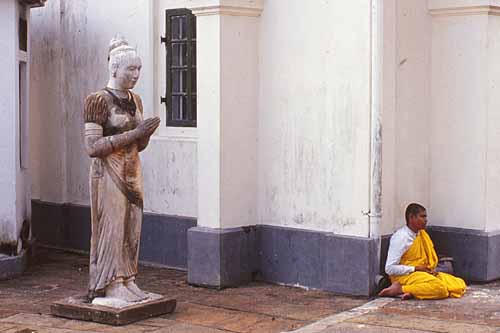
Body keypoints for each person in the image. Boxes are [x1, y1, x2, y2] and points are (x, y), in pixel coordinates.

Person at [83, 37, 160, 303]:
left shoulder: (134, 100)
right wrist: (135, 133)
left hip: (132, 170)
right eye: (131, 69)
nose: (136, 75)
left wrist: (145, 134)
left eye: (138, 69)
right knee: (113, 227)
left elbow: (139, 145)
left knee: (133, 226)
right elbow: (92, 146)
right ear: (114, 69)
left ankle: (128, 278)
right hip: (108, 173)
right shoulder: (97, 100)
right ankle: (110, 281)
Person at [378, 203, 466, 300]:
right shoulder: (401, 237)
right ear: (411, 217)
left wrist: (424, 269)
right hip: (403, 276)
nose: (426, 220)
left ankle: (413, 292)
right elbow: (389, 269)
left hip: (420, 272)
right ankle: (400, 289)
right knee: (440, 288)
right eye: (422, 216)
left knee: (458, 284)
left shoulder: (420, 234)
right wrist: (415, 268)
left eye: (425, 217)